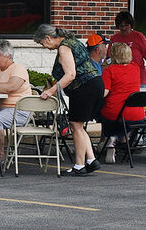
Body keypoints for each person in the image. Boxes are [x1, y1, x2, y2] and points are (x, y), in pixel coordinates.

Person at [35, 25, 104, 177]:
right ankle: (91, 160)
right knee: (77, 124)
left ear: (48, 38)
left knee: (76, 126)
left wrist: (50, 91)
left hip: (83, 86)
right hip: (94, 83)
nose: (45, 47)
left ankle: (79, 165)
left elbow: (70, 74)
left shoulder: (64, 47)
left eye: (42, 43)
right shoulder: (73, 41)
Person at [0, 39, 33, 161]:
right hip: (0, 108)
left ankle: (1, 154)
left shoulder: (18, 69)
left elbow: (11, 87)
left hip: (18, 110)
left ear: (8, 55)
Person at [98, 42, 143, 164]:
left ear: (113, 55)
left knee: (102, 114)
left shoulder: (110, 70)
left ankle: (109, 139)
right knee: (127, 122)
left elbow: (104, 93)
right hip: (136, 113)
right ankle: (117, 138)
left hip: (115, 111)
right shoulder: (136, 68)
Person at [109, 11, 146, 88]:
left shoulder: (138, 36)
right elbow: (109, 57)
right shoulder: (114, 38)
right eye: (121, 26)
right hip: (119, 79)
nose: (123, 28)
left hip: (138, 78)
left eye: (126, 25)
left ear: (131, 25)